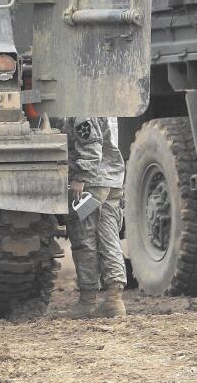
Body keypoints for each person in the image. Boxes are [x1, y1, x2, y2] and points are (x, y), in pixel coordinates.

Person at [62, 115, 127, 318]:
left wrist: (81, 177)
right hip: (112, 181)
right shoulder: (105, 101)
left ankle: (87, 301)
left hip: (91, 186)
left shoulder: (83, 106)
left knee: (84, 238)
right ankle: (114, 300)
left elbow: (91, 144)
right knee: (109, 239)